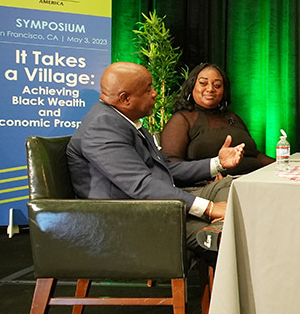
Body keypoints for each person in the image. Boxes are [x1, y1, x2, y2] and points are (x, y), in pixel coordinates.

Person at [66, 61, 245, 253]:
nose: (155, 93)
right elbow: (141, 185)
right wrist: (209, 208)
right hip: (132, 218)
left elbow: (165, 168)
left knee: (230, 185)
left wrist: (218, 163)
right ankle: (218, 233)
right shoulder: (102, 126)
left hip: (159, 204)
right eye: (148, 89)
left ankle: (219, 228)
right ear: (125, 98)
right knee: (233, 237)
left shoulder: (125, 119)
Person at [161, 63, 274, 175]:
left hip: (253, 179)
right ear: (192, 87)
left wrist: (283, 164)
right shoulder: (182, 119)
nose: (210, 89)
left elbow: (255, 155)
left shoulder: (232, 117)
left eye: (217, 85)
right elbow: (172, 164)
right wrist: (204, 176)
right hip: (212, 186)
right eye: (203, 83)